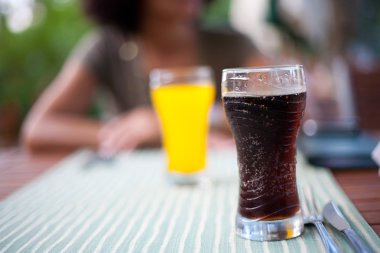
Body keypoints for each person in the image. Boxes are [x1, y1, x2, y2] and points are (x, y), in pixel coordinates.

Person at [22, 0, 268, 155]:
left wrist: (168, 124)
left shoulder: (233, 44)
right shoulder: (107, 46)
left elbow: (272, 112)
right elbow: (37, 130)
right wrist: (126, 132)